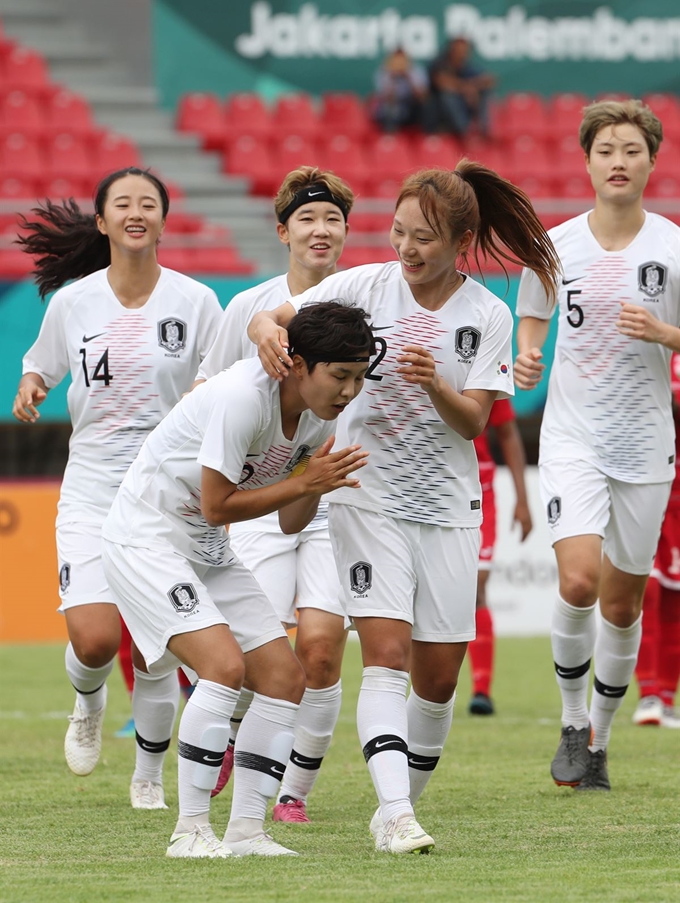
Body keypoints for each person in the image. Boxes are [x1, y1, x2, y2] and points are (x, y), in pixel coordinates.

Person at [248, 162, 560, 853]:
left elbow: (474, 421)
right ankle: (394, 812)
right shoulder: (363, 287)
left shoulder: (486, 314)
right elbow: (278, 310)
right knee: (384, 653)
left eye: (423, 237)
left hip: (447, 510)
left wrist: (435, 384)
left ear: (462, 240)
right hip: (367, 498)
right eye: (398, 232)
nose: (407, 248)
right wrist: (268, 328)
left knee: (439, 678)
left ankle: (399, 804)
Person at [100, 302, 374, 858]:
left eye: (359, 377)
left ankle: (247, 832)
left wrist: (314, 486)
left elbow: (287, 520)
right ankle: (190, 832)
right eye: (340, 376)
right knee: (223, 667)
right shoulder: (241, 396)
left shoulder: (320, 415)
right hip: (146, 540)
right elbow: (218, 504)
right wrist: (302, 483)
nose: (350, 390)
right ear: (298, 365)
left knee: (283, 678)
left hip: (206, 549)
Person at [12, 168, 224, 809]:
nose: (137, 213)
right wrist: (31, 383)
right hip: (93, 487)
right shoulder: (73, 303)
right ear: (102, 222)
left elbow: (220, 384)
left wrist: (201, 397)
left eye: (149, 203)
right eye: (123, 204)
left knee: (159, 652)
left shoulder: (197, 303)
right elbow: (40, 361)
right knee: (96, 640)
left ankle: (147, 778)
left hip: (167, 494)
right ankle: (87, 702)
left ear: (164, 219)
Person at [514, 99, 680, 791]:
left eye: (631, 150)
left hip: (646, 444)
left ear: (651, 160)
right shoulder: (555, 246)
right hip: (573, 438)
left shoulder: (672, 246)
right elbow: (532, 316)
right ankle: (573, 722)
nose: (619, 160)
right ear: (586, 161)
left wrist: (667, 335)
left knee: (623, 603)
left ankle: (602, 744)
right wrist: (527, 354)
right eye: (606, 149)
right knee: (579, 579)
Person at [195, 166, 356, 821]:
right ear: (283, 230)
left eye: (333, 220)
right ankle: (227, 733)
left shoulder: (368, 300)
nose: (321, 231)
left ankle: (292, 791)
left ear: (347, 231)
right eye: (308, 220)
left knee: (320, 646)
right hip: (264, 500)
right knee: (249, 648)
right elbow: (206, 394)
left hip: (341, 499)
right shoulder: (247, 309)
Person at [468, 399, 532, 715]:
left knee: (477, 587)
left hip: (480, 489)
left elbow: (507, 433)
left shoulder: (484, 362)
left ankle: (481, 689)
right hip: (429, 485)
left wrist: (523, 499)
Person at [632, 352, 680, 729]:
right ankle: (647, 693)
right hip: (646, 483)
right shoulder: (650, 349)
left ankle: (665, 696)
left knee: (674, 600)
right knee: (643, 591)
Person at [424, 37, 495, 138]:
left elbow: (489, 80)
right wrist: (465, 88)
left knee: (484, 92)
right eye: (459, 50)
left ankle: (484, 129)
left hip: (464, 107)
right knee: (448, 96)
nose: (462, 54)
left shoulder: (467, 66)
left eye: (464, 51)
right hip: (438, 116)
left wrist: (472, 87)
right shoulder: (440, 63)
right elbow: (441, 81)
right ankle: (466, 132)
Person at [370, 48, 429, 133]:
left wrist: (408, 77)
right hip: (393, 108)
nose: (399, 63)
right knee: (389, 108)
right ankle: (390, 137)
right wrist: (392, 79)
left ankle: (428, 138)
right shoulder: (383, 72)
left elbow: (422, 98)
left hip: (412, 106)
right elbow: (387, 99)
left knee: (428, 106)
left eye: (402, 60)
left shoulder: (416, 70)